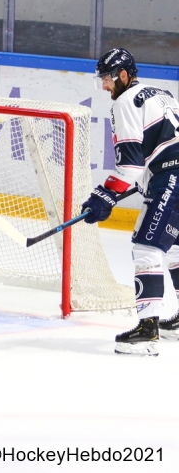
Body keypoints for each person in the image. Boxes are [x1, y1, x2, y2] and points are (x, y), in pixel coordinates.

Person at [84, 47, 179, 356]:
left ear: (124, 75)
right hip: (170, 174)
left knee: (147, 247)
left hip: (172, 177)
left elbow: (130, 166)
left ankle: (147, 330)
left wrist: (105, 194)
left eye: (108, 79)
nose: (105, 86)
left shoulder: (126, 102)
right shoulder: (159, 93)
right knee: (174, 247)